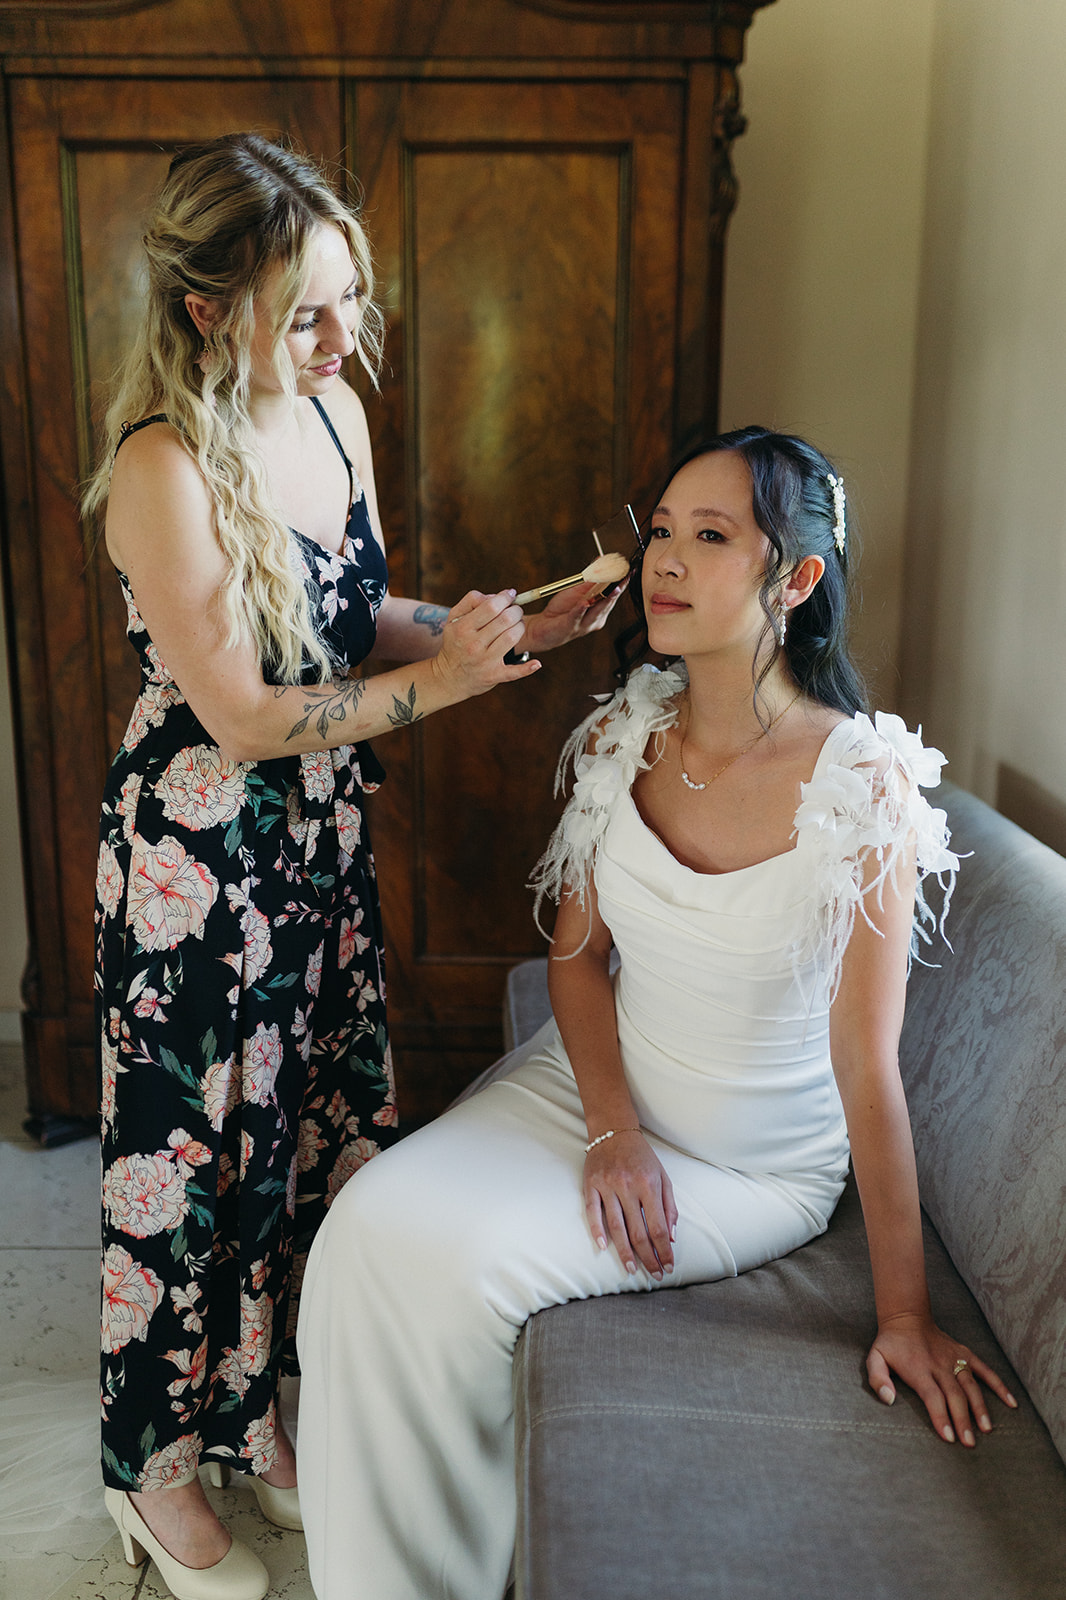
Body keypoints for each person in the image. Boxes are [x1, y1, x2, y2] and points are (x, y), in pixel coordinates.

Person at [295, 426, 1017, 1600]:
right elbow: (576, 963)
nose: (666, 560)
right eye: (663, 530)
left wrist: (903, 1312)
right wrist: (611, 1126)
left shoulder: (861, 781)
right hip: (593, 1092)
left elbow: (866, 1065)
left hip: (745, 1162)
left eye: (711, 536)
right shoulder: (623, 732)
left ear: (796, 579)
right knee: (363, 1228)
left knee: (451, 1266)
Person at [86, 131, 619, 1600]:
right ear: (209, 310)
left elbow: (348, 609)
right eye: (305, 312)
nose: (341, 339)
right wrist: (442, 687)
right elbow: (249, 716)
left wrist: (489, 630)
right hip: (199, 863)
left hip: (317, 843)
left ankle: (251, 1414)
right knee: (188, 1165)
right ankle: (151, 1466)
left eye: (350, 303)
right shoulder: (160, 468)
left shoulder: (332, 418)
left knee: (299, 1139)